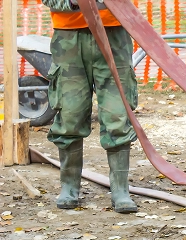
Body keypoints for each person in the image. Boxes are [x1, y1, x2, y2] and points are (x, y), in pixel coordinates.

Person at [43, 0, 138, 213]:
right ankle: (69, 187)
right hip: (68, 37)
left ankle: (120, 191)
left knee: (117, 114)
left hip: (114, 33)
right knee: (70, 113)